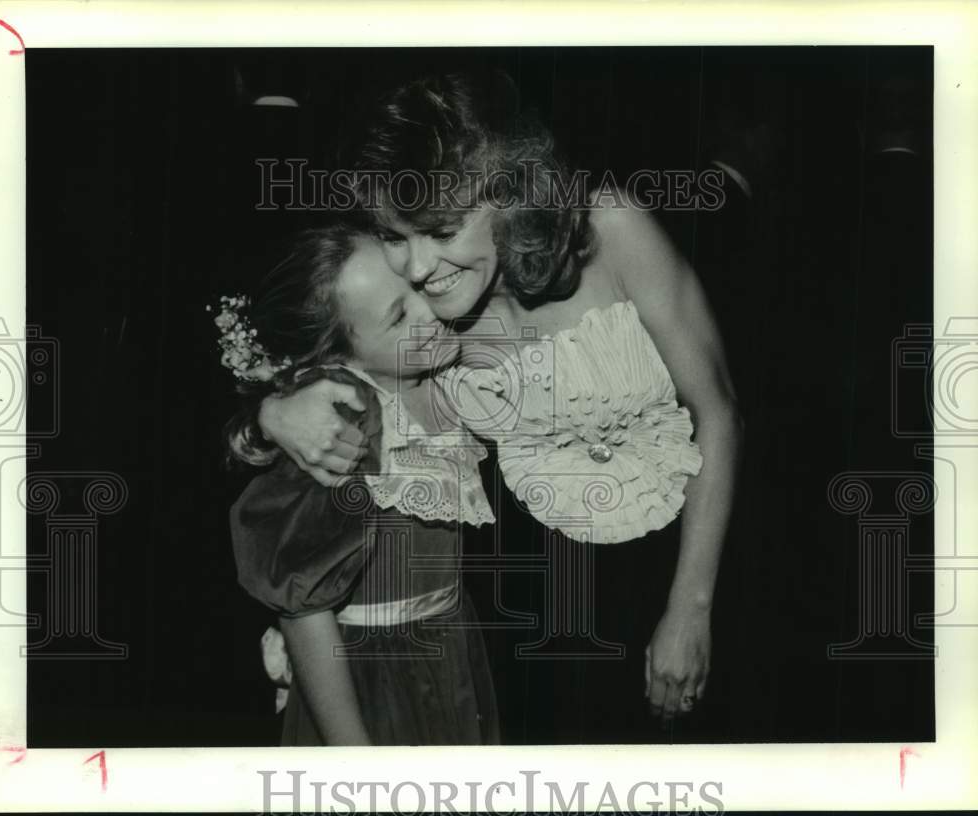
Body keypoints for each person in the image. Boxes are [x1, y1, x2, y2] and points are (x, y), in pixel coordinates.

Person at [255, 73, 744, 735]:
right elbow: (309, 335)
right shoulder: (423, 310)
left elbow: (718, 411)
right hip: (504, 624)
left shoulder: (610, 228)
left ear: (510, 194)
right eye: (397, 234)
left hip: (661, 585)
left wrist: (691, 606)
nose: (419, 265)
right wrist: (277, 408)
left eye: (444, 230)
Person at [219, 221, 500, 745]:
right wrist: (355, 757)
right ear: (338, 357)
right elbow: (304, 609)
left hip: (449, 653)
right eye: (398, 316)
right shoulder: (345, 417)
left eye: (416, 289)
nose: (427, 312)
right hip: (371, 681)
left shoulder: (439, 369)